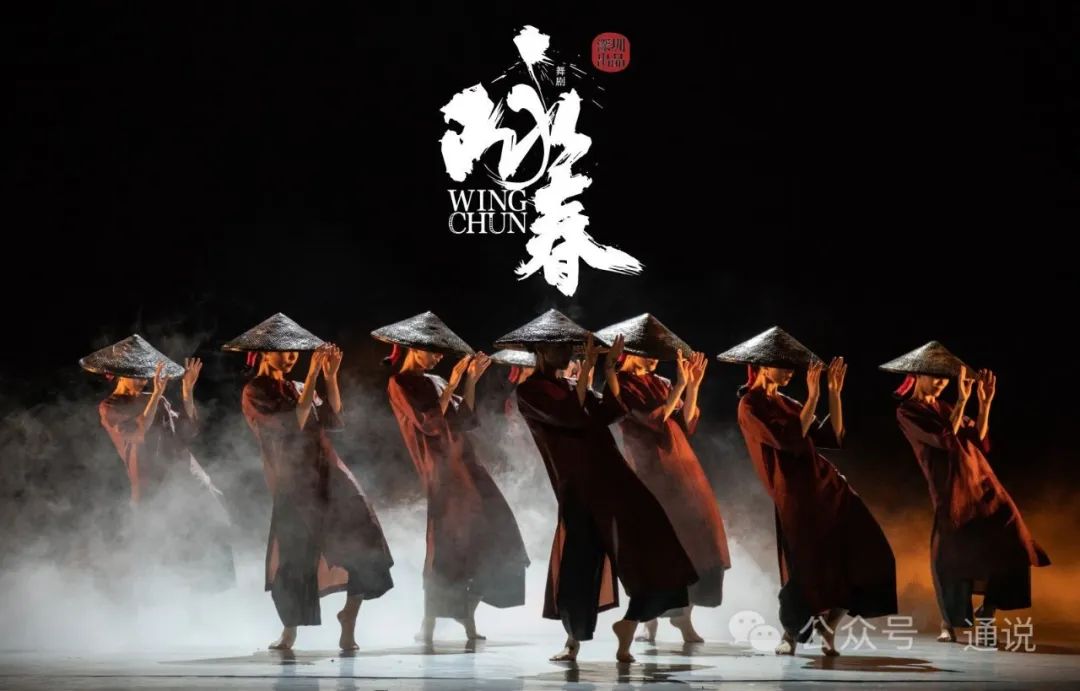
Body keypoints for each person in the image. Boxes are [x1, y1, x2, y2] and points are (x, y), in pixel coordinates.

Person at [495, 309, 698, 663]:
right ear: (541, 350)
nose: (569, 354)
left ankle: (632, 621)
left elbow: (610, 412)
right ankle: (572, 641)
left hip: (612, 474)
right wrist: (587, 371)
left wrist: (607, 372)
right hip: (579, 485)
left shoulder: (570, 386)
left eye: (571, 348)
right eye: (561, 348)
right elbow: (571, 417)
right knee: (580, 561)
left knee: (653, 538)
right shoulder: (530, 391)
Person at [719, 326, 896, 656]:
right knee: (806, 567)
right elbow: (788, 440)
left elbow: (832, 436)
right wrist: (813, 399)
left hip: (830, 487)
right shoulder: (750, 405)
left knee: (867, 554)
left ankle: (829, 628)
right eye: (784, 367)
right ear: (762, 365)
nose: (790, 373)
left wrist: (833, 394)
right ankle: (790, 635)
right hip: (796, 497)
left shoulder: (789, 402)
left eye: (792, 368)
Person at [224, 312, 394, 651]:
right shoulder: (255, 391)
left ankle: (349, 618)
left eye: (294, 353)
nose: (291, 358)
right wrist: (314, 374)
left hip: (330, 472)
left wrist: (329, 377)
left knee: (364, 539)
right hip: (293, 481)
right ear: (264, 353)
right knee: (296, 557)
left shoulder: (300, 386)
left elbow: (333, 417)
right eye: (284, 352)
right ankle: (290, 631)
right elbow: (295, 423)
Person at [372, 311, 529, 643]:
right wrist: (454, 383)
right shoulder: (399, 383)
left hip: (466, 463)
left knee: (497, 531)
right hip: (441, 470)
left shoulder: (437, 381)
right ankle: (429, 625)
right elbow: (429, 423)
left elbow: (464, 418)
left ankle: (466, 613)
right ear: (413, 348)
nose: (439, 357)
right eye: (434, 351)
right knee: (447, 546)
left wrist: (469, 381)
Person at [882, 341, 1050, 642]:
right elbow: (945, 440)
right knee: (951, 556)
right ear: (917, 375)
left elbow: (978, 439)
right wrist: (962, 401)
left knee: (1014, 542)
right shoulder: (908, 411)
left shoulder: (946, 407)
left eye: (945, 378)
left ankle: (988, 610)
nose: (941, 382)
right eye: (936, 376)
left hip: (983, 483)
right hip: (952, 490)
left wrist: (984, 404)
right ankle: (949, 622)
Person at [596, 313, 731, 644]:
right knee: (659, 546)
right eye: (649, 353)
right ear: (631, 353)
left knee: (694, 541)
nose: (655, 359)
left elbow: (685, 422)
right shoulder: (623, 384)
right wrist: (681, 386)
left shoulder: (662, 383)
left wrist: (692, 386)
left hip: (683, 468)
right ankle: (648, 621)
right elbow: (655, 419)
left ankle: (683, 620)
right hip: (651, 473)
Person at [82, 334, 235, 591]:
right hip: (151, 484)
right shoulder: (111, 406)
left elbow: (186, 432)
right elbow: (139, 431)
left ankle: (214, 594)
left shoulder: (158, 398)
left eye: (146, 374)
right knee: (163, 549)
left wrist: (187, 392)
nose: (144, 379)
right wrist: (155, 395)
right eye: (138, 374)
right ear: (120, 374)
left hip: (184, 475)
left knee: (213, 524)